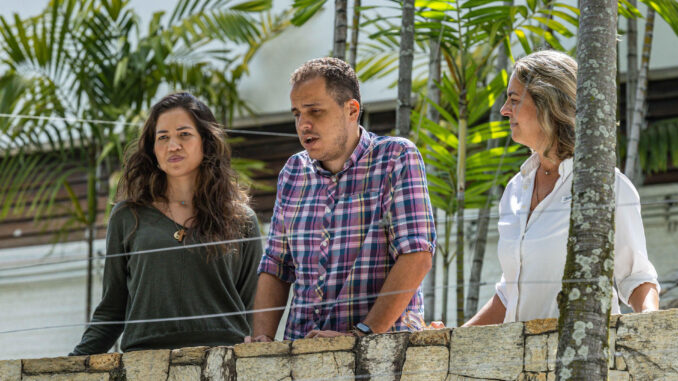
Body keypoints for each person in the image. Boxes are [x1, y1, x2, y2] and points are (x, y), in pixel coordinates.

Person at [246, 57, 436, 341]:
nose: (303, 124)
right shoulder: (292, 172)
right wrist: (261, 342)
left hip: (383, 355)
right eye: (297, 113)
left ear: (351, 110)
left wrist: (360, 336)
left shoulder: (396, 158)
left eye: (315, 111)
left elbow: (417, 256)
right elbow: (276, 265)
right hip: (302, 358)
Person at [464, 50, 660, 326]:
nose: (504, 110)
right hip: (516, 364)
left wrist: (652, 330)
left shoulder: (605, 185)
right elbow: (510, 294)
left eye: (514, 100)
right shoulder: (514, 190)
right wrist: (450, 340)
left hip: (584, 363)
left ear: (548, 104)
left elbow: (637, 278)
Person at [70, 92, 262, 354]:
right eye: (163, 138)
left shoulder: (242, 220)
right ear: (153, 149)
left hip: (224, 361)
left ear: (206, 142)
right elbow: (112, 310)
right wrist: (69, 367)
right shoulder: (128, 216)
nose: (173, 146)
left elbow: (254, 312)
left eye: (184, 134)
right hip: (144, 363)